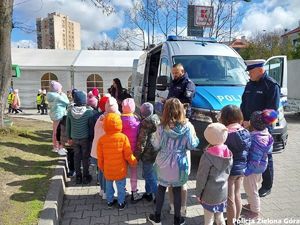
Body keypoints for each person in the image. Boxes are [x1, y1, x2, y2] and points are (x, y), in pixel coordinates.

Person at [147, 98, 199, 225]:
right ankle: (177, 219)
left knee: (161, 188)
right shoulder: (188, 126)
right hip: (179, 163)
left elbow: (156, 145)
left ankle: (157, 217)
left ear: (165, 111)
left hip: (163, 161)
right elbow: (192, 145)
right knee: (177, 189)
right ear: (181, 110)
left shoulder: (161, 127)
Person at [240, 60, 280, 198]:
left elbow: (272, 111)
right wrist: (243, 119)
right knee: (252, 154)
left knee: (265, 156)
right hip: (248, 125)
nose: (249, 74)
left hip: (263, 128)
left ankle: (267, 186)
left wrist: (256, 123)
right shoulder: (250, 83)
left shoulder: (271, 85)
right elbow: (243, 103)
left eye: (250, 71)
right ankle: (252, 182)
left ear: (259, 70)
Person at [166, 64, 196, 217]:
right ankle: (172, 206)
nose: (174, 75)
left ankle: (182, 208)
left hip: (182, 120)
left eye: (177, 73)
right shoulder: (173, 83)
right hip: (171, 120)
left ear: (183, 72)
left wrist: (175, 107)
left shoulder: (188, 84)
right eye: (173, 73)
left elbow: (186, 101)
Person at [97, 112, 137, 210]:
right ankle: (121, 203)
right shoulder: (123, 138)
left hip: (108, 169)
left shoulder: (102, 140)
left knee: (109, 186)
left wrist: (101, 167)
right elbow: (128, 154)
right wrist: (133, 162)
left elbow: (100, 157)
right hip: (120, 169)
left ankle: (110, 202)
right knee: (121, 186)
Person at [219, 105, 251, 225]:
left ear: (225, 118)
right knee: (237, 195)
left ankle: (230, 223)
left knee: (230, 198)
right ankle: (236, 219)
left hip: (231, 171)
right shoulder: (246, 132)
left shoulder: (226, 134)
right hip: (242, 168)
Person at [196, 122, 233, 225]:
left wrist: (198, 192)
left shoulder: (207, 156)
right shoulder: (228, 152)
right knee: (220, 217)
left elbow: (201, 177)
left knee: (208, 219)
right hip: (223, 192)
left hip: (209, 194)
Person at [242, 110, 276, 219]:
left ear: (254, 124)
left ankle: (255, 212)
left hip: (253, 168)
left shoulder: (256, 139)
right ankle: (252, 205)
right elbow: (269, 149)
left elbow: (255, 159)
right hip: (261, 166)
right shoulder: (266, 134)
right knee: (254, 187)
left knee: (251, 190)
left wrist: (247, 171)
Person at [66, 90, 94, 185]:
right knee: (85, 157)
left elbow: (68, 126)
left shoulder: (69, 112)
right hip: (85, 138)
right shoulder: (89, 112)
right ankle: (86, 176)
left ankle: (78, 176)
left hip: (74, 138)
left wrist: (69, 138)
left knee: (76, 157)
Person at [90, 94, 114, 200]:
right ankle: (106, 192)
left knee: (100, 171)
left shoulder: (99, 118)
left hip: (96, 150)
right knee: (105, 173)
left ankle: (101, 190)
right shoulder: (108, 120)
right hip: (104, 151)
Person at [136, 102, 160, 203]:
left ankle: (158, 196)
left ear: (143, 114)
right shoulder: (156, 119)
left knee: (149, 175)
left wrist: (136, 155)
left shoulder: (145, 123)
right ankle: (148, 193)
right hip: (155, 151)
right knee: (149, 173)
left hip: (147, 154)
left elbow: (142, 140)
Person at [120, 98, 143, 203]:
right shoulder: (136, 120)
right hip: (133, 151)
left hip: (121, 150)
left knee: (123, 171)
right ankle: (134, 192)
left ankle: (123, 191)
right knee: (133, 171)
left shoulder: (119, 120)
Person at [47, 81, 69, 153]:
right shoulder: (58, 97)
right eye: (60, 88)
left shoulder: (50, 95)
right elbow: (67, 102)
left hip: (55, 115)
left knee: (55, 131)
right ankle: (59, 147)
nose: (61, 90)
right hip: (60, 115)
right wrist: (63, 94)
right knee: (60, 132)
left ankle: (55, 146)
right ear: (57, 89)